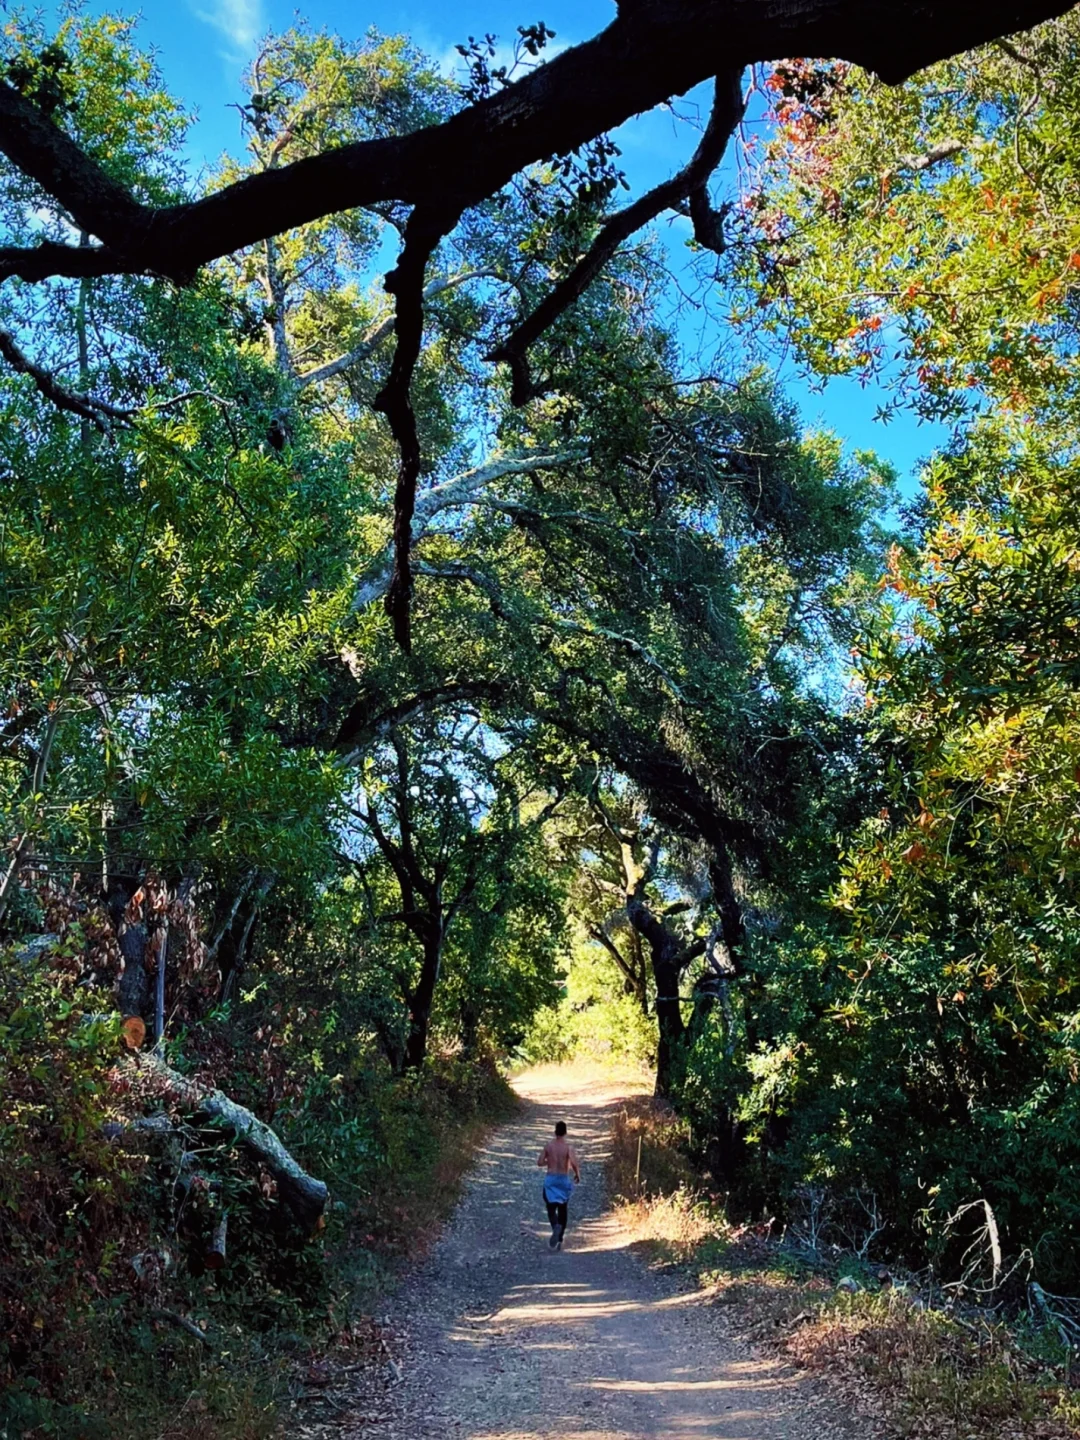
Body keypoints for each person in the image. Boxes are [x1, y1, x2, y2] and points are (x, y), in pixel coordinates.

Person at [537, 1120, 581, 1249]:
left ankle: (555, 1225)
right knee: (563, 1209)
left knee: (550, 1207)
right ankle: (560, 1238)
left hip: (551, 1179)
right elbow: (574, 1163)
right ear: (565, 1132)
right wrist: (577, 1174)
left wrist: (549, 1162)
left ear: (555, 1131)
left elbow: (539, 1162)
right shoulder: (568, 1147)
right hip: (563, 1178)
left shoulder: (548, 1146)